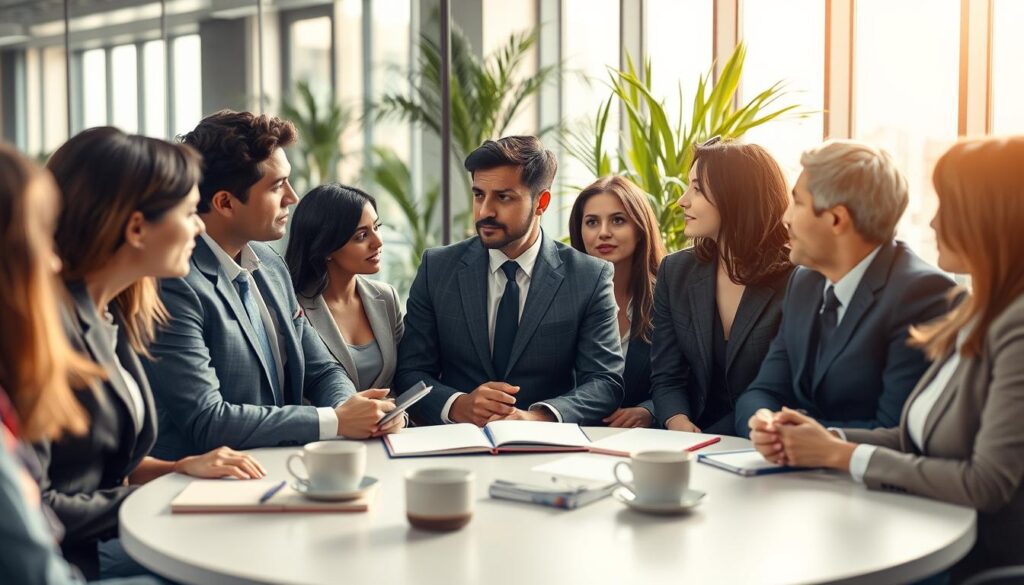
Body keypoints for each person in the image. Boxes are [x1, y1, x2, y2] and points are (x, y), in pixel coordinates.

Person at [749, 136, 1024, 580]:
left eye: (947, 204)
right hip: (922, 525)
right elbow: (916, 438)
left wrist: (843, 456)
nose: (932, 222)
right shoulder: (982, 313)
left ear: (991, 217)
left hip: (965, 557)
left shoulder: (1015, 325)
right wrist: (824, 439)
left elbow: (986, 483)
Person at [35, 127, 265, 580]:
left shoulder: (111, 311)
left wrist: (179, 468)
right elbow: (35, 503)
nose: (199, 224)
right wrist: (172, 494)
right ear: (137, 228)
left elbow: (95, 462)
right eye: (187, 211)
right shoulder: (45, 333)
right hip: (65, 566)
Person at [143, 111, 402, 460]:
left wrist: (353, 409)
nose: (293, 197)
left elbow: (322, 368)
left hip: (280, 472)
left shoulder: (270, 265)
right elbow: (207, 421)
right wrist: (334, 421)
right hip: (199, 489)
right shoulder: (174, 285)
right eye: (277, 186)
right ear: (225, 203)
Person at [0, 141, 157, 585]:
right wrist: (163, 495)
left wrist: (175, 476)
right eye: (37, 240)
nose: (52, 260)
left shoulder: (114, 313)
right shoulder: (53, 333)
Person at [396, 136, 623, 426]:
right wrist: (457, 405)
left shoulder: (589, 277)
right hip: (455, 447)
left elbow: (604, 381)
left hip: (546, 449)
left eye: (503, 197)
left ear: (541, 202)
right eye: (479, 195)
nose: (485, 212)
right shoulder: (437, 268)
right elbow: (409, 372)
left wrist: (537, 417)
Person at [734, 140, 955, 435]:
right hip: (792, 472)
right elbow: (762, 391)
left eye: (798, 202)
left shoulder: (923, 294)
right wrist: (763, 421)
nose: (785, 218)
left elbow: (898, 430)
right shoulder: (804, 282)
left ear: (837, 218)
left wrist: (802, 437)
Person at [649, 140, 794, 436]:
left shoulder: (797, 279)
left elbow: (791, 387)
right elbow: (666, 376)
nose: (682, 201)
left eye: (697, 189)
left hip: (763, 439)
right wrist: (677, 421)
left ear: (738, 196)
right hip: (692, 437)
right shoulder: (675, 271)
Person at [285, 184, 404, 391]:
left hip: (391, 423)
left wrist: (398, 415)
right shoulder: (293, 307)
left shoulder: (386, 298)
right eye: (361, 236)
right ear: (326, 247)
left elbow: (402, 379)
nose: (377, 242)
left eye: (376, 227)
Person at [568, 175, 666, 428]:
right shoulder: (560, 297)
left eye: (618, 220)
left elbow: (689, 379)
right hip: (568, 434)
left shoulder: (666, 298)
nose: (603, 233)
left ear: (640, 228)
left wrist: (649, 411)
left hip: (642, 443)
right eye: (591, 222)